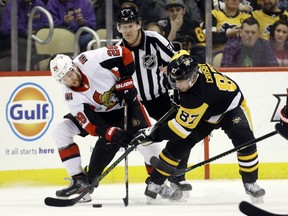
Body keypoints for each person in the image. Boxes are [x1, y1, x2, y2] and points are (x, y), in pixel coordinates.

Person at [49, 46, 181, 202]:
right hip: (100, 116)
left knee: (147, 141)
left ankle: (157, 182)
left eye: (70, 74)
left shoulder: (90, 59)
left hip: (127, 104)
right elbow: (90, 123)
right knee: (60, 130)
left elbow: (124, 53)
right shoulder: (70, 95)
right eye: (64, 79)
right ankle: (80, 181)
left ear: (74, 67)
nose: (71, 80)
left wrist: (125, 79)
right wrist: (108, 132)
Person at [133, 50, 266, 202]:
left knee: (245, 141)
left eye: (180, 81)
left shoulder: (196, 96)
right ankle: (155, 182)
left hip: (230, 108)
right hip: (205, 111)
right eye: (174, 80)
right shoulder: (186, 62)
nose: (177, 84)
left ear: (193, 77)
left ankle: (250, 182)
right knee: (179, 145)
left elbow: (179, 129)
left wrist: (152, 135)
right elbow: (181, 53)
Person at [116, 7, 193, 193]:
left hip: (160, 98)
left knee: (182, 133)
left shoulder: (154, 39)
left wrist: (170, 68)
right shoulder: (117, 51)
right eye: (124, 26)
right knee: (145, 141)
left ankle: (178, 178)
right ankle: (155, 180)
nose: (128, 30)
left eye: (131, 25)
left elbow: (176, 60)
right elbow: (115, 79)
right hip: (136, 104)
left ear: (139, 25)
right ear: (119, 28)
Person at [0, 0, 48, 71]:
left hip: (35, 37)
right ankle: (29, 73)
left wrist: (35, 30)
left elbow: (46, 23)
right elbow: (9, 27)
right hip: (12, 39)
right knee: (30, 46)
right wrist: (27, 31)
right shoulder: (13, 4)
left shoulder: (39, 4)